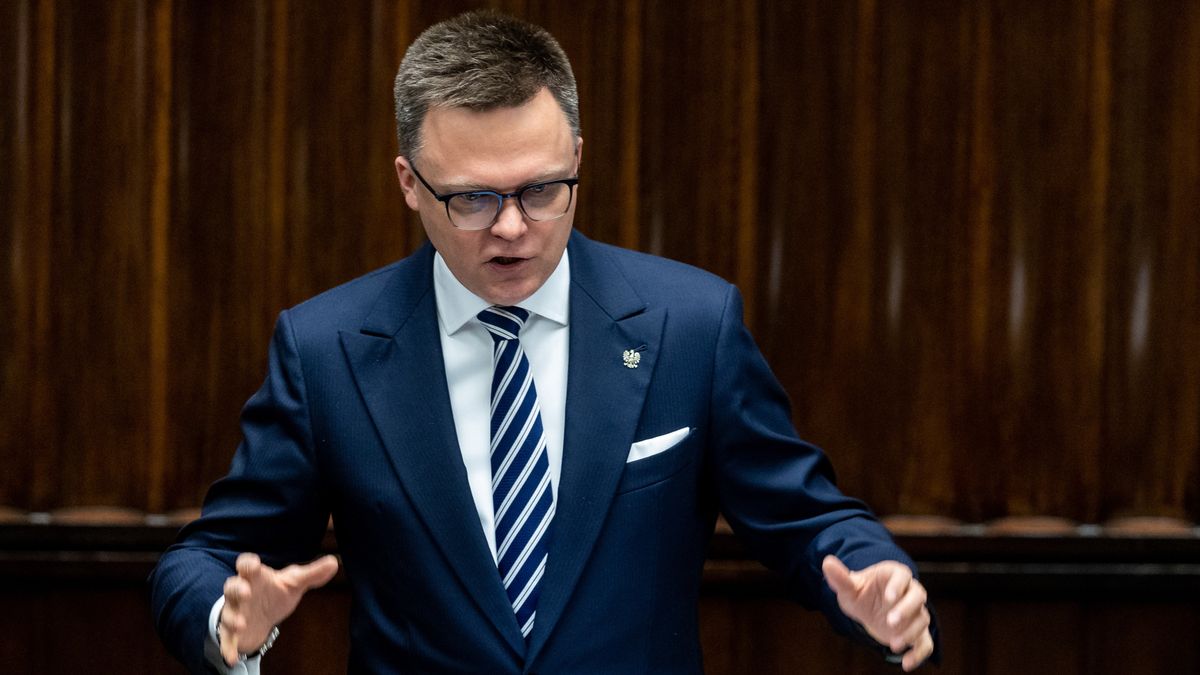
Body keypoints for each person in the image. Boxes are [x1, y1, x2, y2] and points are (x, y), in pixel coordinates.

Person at [150, 10, 938, 674]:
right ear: (407, 182)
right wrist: (229, 617)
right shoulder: (325, 350)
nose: (512, 227)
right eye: (471, 198)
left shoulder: (689, 325)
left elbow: (805, 517)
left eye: (541, 190)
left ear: (578, 163)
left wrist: (875, 576)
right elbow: (205, 557)